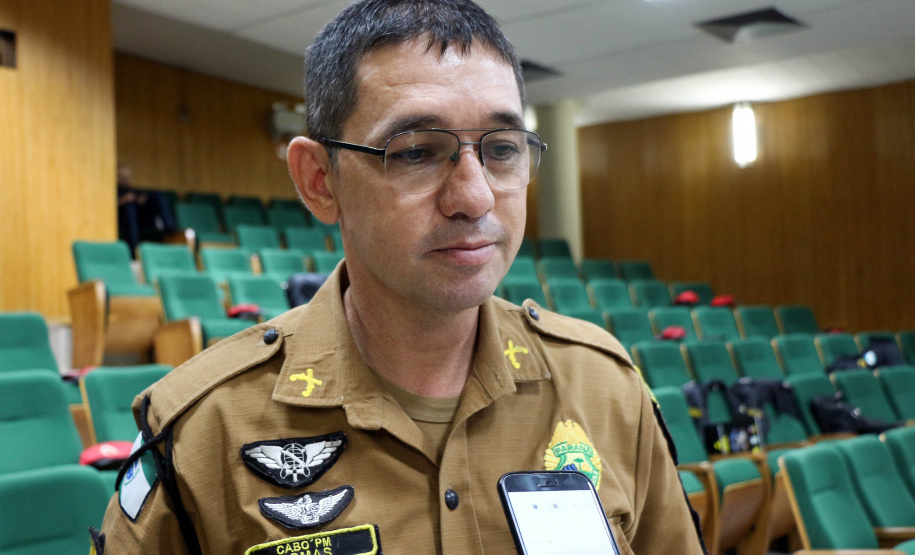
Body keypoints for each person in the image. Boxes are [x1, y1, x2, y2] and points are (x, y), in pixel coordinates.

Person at [93, 1, 705, 553]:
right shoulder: (208, 426)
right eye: (415, 151)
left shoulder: (605, 389)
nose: (474, 197)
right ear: (318, 180)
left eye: (502, 148)